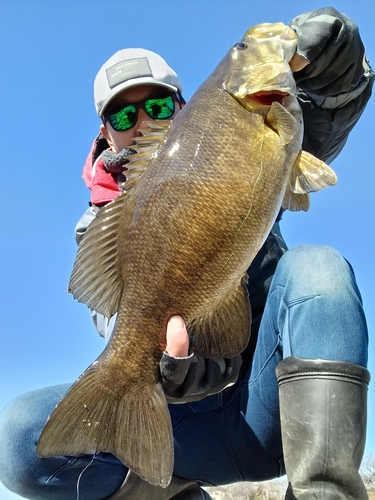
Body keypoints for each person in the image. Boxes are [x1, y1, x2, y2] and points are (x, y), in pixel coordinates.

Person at [0, 7, 373, 500]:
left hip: (273, 409)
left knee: (319, 268)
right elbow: (115, 320)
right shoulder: (98, 227)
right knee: (19, 436)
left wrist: (337, 59)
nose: (139, 123)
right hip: (183, 433)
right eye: (122, 114)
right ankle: (172, 491)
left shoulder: (244, 138)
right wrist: (164, 367)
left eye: (155, 107)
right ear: (104, 132)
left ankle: (323, 492)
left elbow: (322, 114)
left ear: (181, 106)